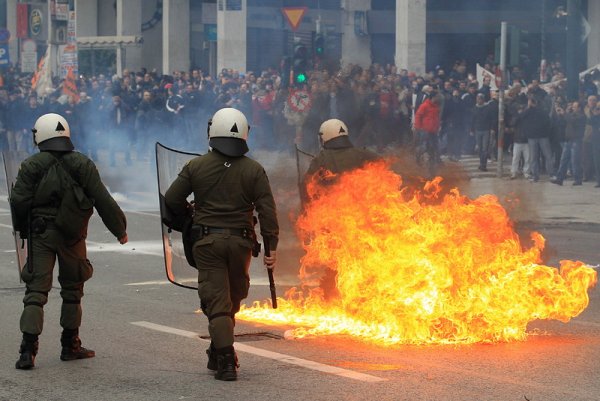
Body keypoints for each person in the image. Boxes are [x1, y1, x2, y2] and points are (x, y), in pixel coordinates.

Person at [164, 107, 279, 381]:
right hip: (241, 244)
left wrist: (187, 220)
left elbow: (171, 199)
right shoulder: (254, 169)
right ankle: (222, 352)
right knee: (232, 299)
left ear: (212, 132)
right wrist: (271, 247)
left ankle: (224, 358)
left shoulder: (196, 166)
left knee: (218, 302)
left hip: (207, 243)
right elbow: (267, 212)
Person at [10, 113, 128, 370]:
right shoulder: (83, 164)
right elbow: (102, 198)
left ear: (40, 135)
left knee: (36, 292)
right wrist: (120, 230)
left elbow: (18, 201)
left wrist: (23, 229)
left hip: (41, 235)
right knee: (73, 291)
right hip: (73, 235)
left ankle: (27, 351)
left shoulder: (31, 165)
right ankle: (70, 345)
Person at [301, 119, 381, 298]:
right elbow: (383, 168)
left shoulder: (322, 159)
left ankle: (332, 295)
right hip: (364, 218)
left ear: (325, 137)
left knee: (336, 260)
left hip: (334, 219)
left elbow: (307, 184)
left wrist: (309, 211)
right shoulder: (364, 155)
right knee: (364, 257)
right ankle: (366, 294)